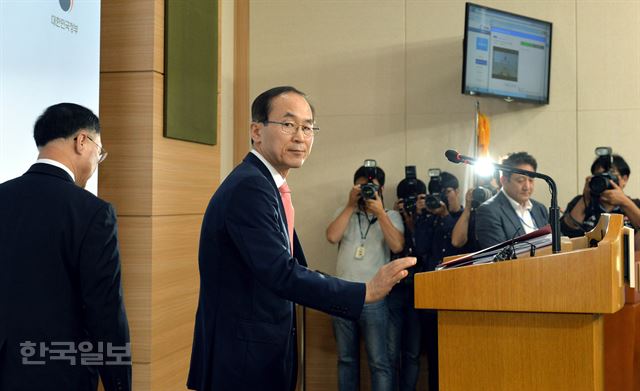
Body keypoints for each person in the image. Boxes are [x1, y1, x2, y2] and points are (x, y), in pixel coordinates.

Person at [187, 86, 416, 391]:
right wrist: (363, 292)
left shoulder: (266, 185)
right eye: (288, 124)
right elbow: (282, 273)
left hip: (255, 355)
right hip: (242, 361)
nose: (300, 136)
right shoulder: (250, 189)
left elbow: (295, 267)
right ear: (257, 131)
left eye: (308, 127)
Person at [0, 103, 131, 390]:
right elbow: (105, 313)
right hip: (58, 374)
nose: (98, 161)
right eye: (100, 151)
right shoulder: (93, 212)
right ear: (82, 141)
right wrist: (118, 384)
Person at [325, 164, 405, 391]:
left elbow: (397, 245)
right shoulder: (345, 211)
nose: (367, 191)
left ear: (381, 190)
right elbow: (332, 237)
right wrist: (351, 205)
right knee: (346, 360)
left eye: (372, 188)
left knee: (380, 362)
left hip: (374, 299)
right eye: (362, 186)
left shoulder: (391, 216)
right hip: (341, 295)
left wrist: (380, 212)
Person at [412, 171, 467, 391]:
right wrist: (420, 216)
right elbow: (420, 248)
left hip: (459, 297)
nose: (442, 198)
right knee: (434, 360)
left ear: (457, 192)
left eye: (446, 193)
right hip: (432, 299)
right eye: (438, 194)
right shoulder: (428, 219)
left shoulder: (465, 216)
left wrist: (445, 216)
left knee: (459, 359)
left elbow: (458, 244)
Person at [387, 177, 427, 391]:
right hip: (394, 289)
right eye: (406, 200)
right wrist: (398, 216)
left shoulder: (428, 218)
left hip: (418, 290)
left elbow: (422, 250)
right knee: (391, 352)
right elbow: (394, 247)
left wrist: (417, 219)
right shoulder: (392, 218)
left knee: (412, 352)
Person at [475, 152, 549, 249]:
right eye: (520, 180)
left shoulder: (539, 208)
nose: (527, 187)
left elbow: (558, 242)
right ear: (504, 180)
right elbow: (498, 254)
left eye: (531, 180)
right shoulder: (489, 211)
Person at [561, 153, 640, 237]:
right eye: (599, 176)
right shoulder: (580, 202)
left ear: (624, 179)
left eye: (609, 175)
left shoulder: (635, 204)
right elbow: (565, 231)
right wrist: (586, 198)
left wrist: (624, 202)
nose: (604, 180)